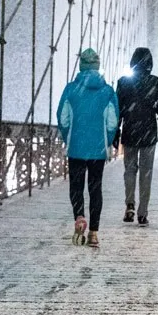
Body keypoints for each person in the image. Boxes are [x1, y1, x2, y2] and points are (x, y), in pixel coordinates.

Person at [57, 48, 119, 248]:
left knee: (76, 186)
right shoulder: (107, 91)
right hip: (97, 149)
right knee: (95, 188)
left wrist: (69, 137)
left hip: (76, 147)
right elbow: (112, 122)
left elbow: (63, 118)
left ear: (81, 65)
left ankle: (79, 217)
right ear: (98, 66)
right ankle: (93, 232)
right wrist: (107, 141)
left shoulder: (71, 89)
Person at [115, 47, 158, 226]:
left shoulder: (124, 82)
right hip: (148, 133)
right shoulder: (156, 82)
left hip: (130, 132)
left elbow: (117, 110)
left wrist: (115, 131)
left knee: (129, 170)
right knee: (146, 173)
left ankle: (129, 205)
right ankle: (143, 213)